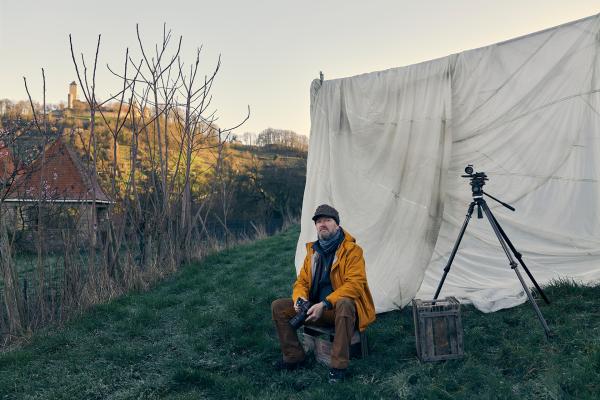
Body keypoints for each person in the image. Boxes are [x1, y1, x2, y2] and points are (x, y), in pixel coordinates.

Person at [271, 204, 376, 383]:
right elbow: (302, 282)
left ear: (337, 224)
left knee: (345, 302)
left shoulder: (352, 251)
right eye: (319, 221)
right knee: (278, 306)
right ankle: (294, 358)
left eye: (327, 220)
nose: (322, 224)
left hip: (340, 310)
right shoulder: (313, 251)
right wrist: (299, 299)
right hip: (313, 308)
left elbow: (355, 284)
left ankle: (338, 367)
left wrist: (325, 304)